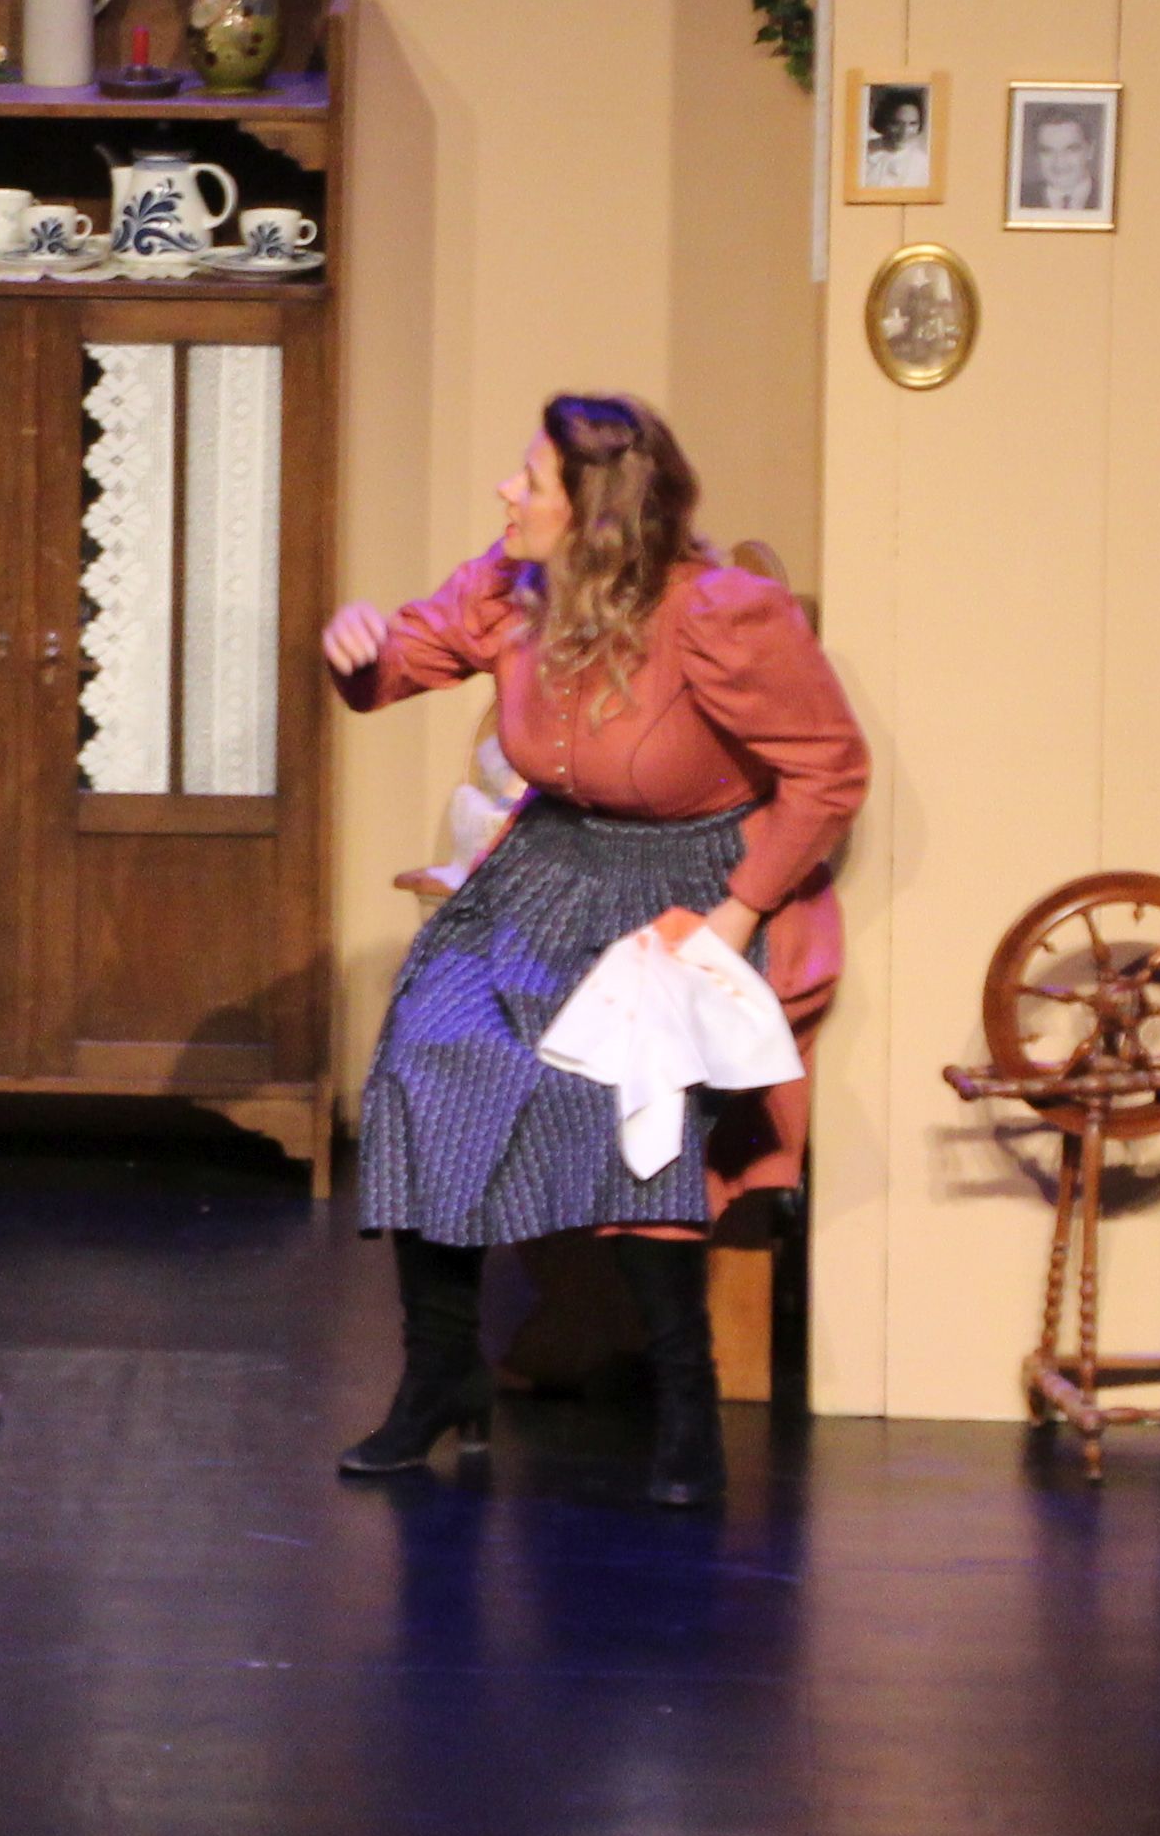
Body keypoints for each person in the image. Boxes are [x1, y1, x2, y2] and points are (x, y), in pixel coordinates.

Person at [318, 396, 865, 1508]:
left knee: (630, 1107)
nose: (506, 492)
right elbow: (401, 663)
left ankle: (685, 1402)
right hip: (547, 868)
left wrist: (741, 911)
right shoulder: (512, 588)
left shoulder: (721, 613)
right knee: (428, 1060)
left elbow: (829, 767)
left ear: (597, 512)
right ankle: (442, 1373)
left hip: (683, 886)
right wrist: (360, 649)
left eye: (531, 481)